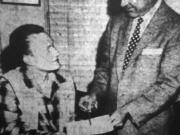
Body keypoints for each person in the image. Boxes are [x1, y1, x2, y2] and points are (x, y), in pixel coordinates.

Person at [79, 0, 180, 135]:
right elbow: (105, 69)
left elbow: (169, 84)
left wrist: (130, 111)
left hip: (149, 129)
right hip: (111, 126)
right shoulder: (116, 21)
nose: (122, 4)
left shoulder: (175, 26)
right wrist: (95, 94)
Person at [0, 24, 64, 135]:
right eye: (48, 49)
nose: (56, 52)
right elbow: (8, 130)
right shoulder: (9, 85)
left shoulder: (64, 79)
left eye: (53, 46)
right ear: (28, 59)